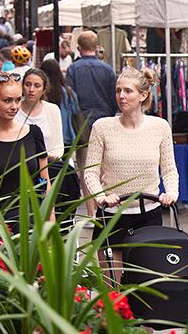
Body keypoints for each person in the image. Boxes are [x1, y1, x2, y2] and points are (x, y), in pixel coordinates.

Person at [84, 67, 178, 271]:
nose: (121, 96)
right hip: (112, 214)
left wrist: (171, 193)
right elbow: (90, 172)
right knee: (113, 291)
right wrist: (101, 197)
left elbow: (169, 169)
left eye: (128, 91)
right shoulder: (102, 127)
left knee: (147, 285)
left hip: (148, 213)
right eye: (118, 90)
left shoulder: (160, 127)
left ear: (143, 95)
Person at [0, 71, 50, 226]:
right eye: (7, 100)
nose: (15, 106)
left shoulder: (34, 133)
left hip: (31, 224)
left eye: (18, 100)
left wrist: (50, 228)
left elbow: (46, 185)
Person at [66, 31, 117, 137]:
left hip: (81, 119)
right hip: (105, 117)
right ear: (96, 47)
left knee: (84, 152)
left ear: (79, 48)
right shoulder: (108, 69)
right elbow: (114, 96)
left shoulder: (73, 69)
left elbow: (70, 97)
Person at [14, 69, 64, 162]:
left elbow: (58, 145)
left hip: (49, 164)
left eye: (37, 86)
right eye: (27, 84)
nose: (31, 89)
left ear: (44, 89)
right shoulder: (14, 108)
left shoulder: (53, 110)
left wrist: (50, 158)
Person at [40, 58, 81, 150]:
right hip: (67, 135)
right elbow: (75, 110)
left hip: (46, 136)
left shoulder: (42, 94)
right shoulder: (68, 92)